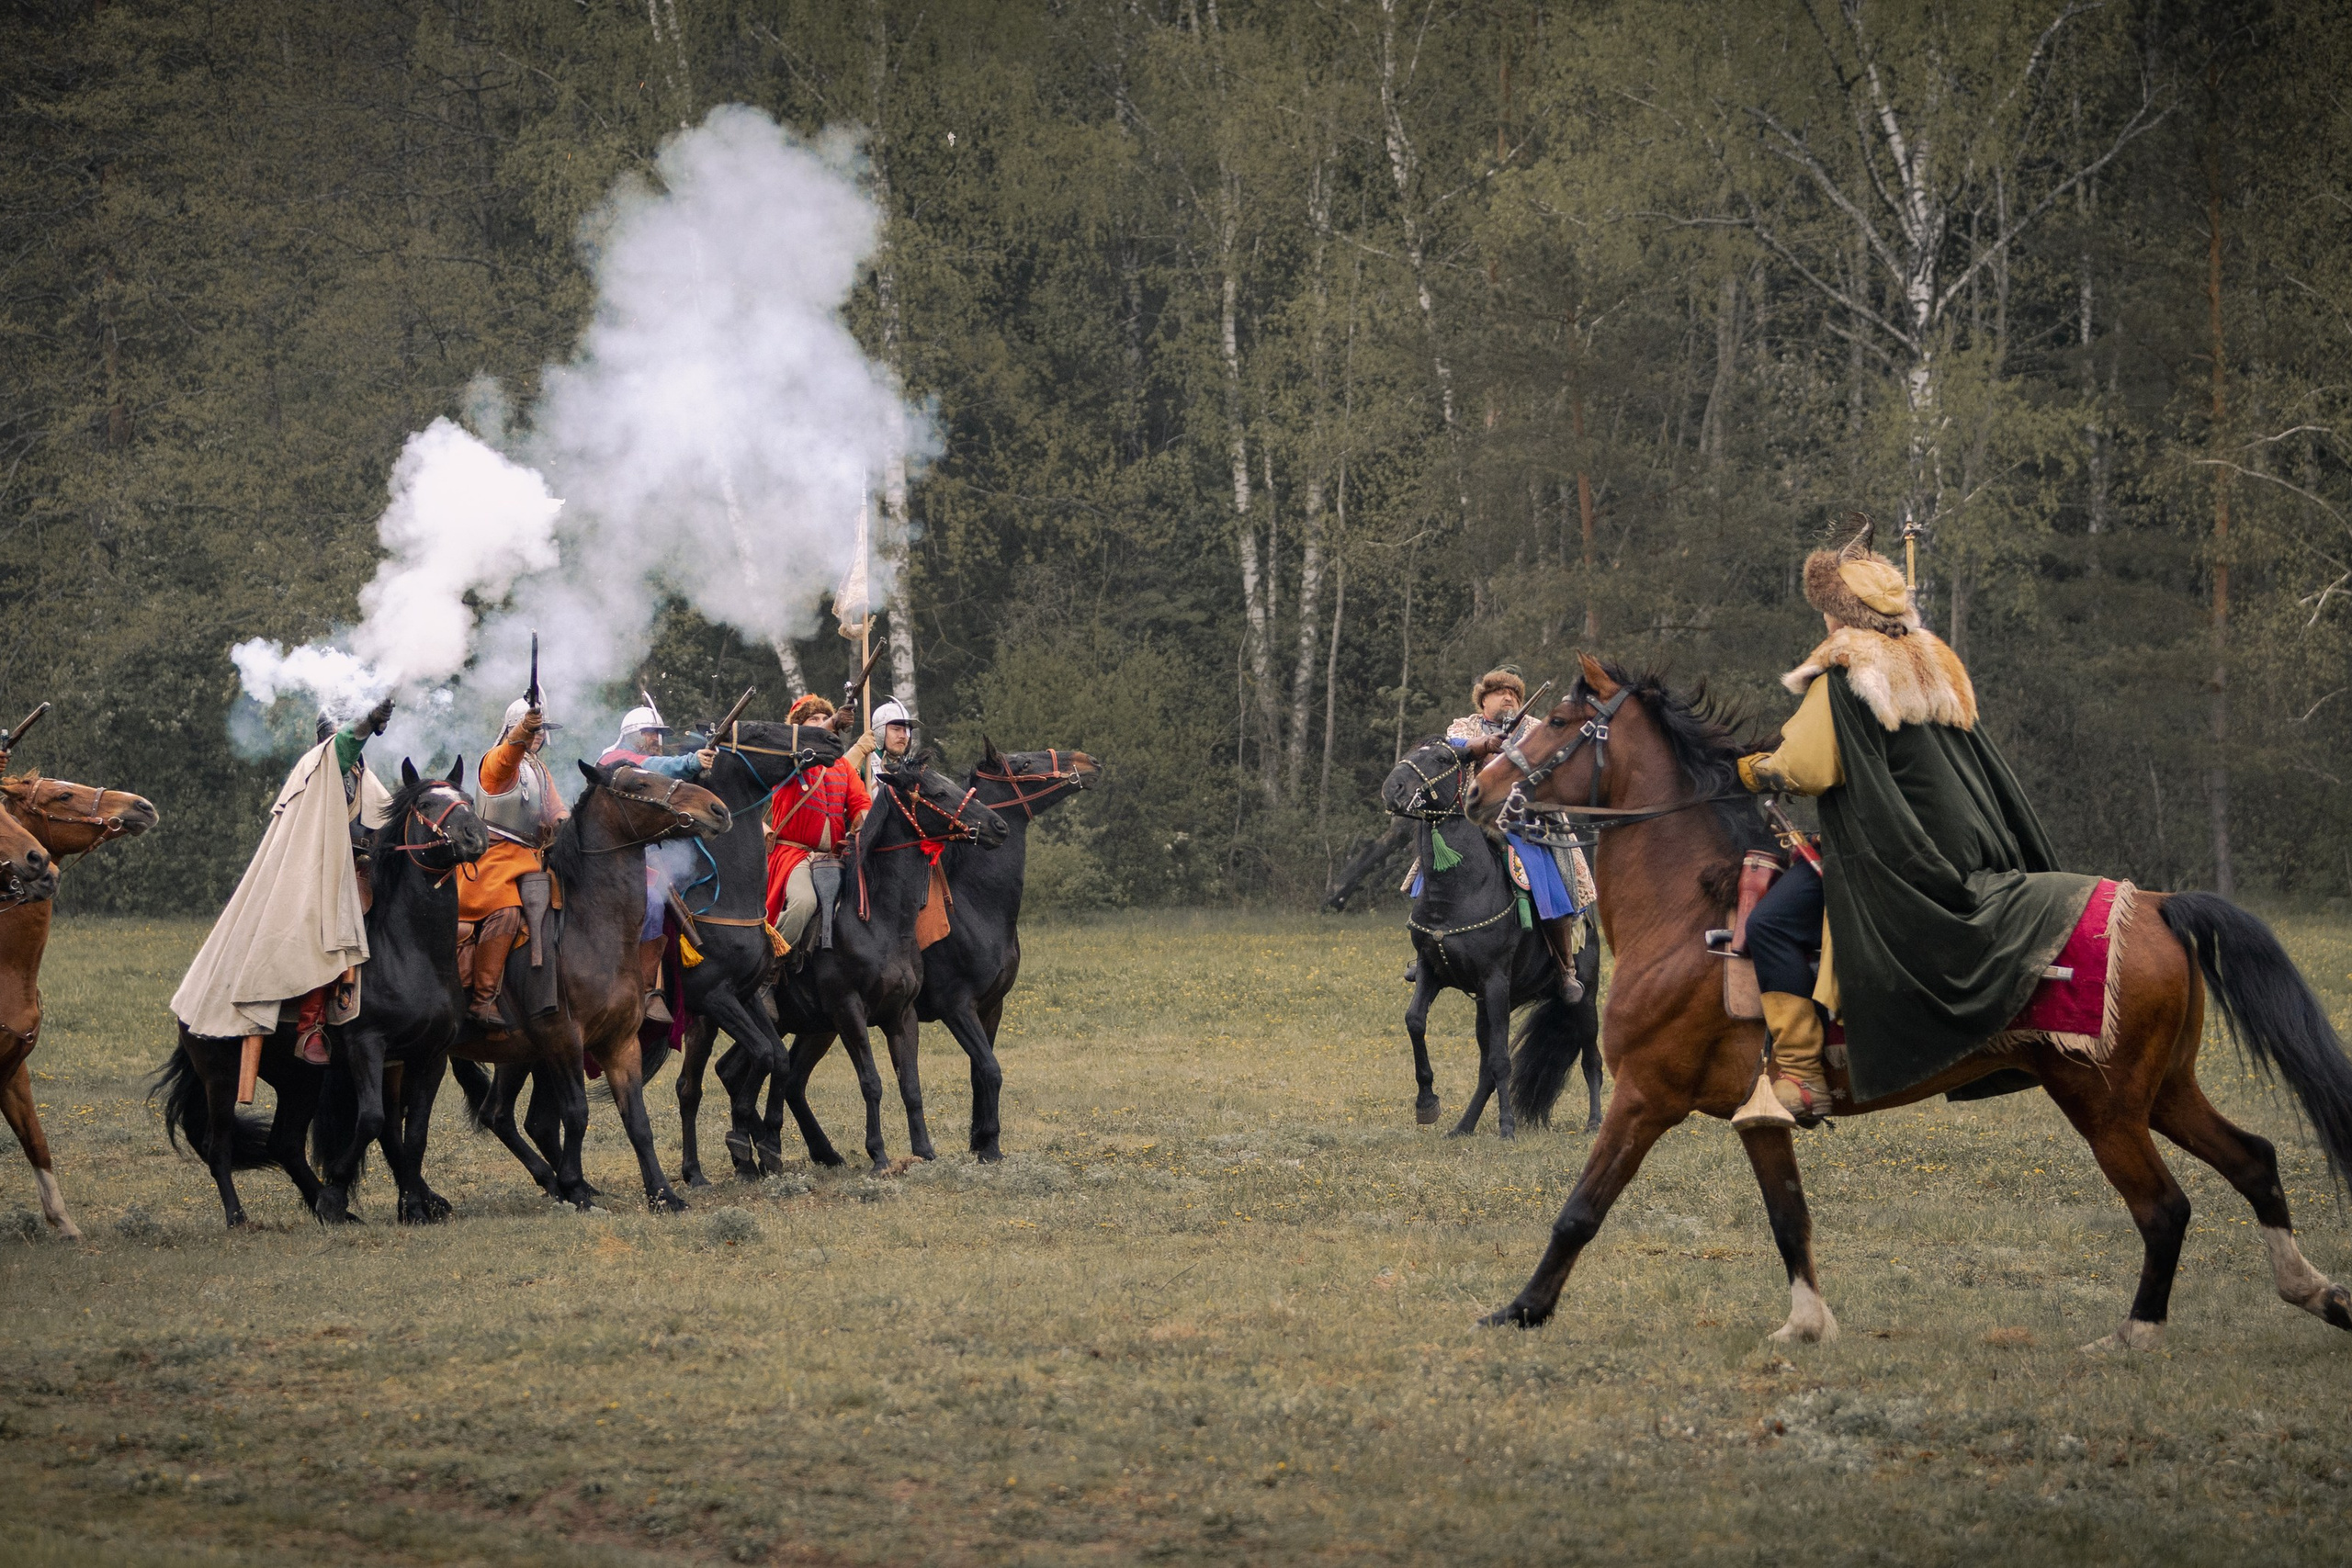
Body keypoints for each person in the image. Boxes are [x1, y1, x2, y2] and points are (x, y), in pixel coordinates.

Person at [1731, 520, 2086, 1126]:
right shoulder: (1934, 659)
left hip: (1897, 851)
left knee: (1768, 924)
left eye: (1825, 610)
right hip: (1969, 844)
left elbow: (1810, 767)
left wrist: (1754, 770)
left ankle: (1800, 1074)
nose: (1823, 620)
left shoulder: (1847, 673)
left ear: (1838, 614)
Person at [171, 698, 396, 1063]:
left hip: (360, 873)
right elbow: (345, 745)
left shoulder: (363, 776)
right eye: (352, 732)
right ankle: (311, 1027)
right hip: (313, 877)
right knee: (319, 933)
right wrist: (368, 720)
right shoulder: (322, 762)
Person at [1442, 669, 1596, 1001]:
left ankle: (1565, 967)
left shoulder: (1533, 729)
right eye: (1500, 691)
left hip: (1521, 821)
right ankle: (1429, 954)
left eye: (1514, 693)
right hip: (1470, 818)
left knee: (1544, 875)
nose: (1509, 697)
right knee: (1433, 868)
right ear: (1483, 699)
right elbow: (1451, 747)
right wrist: (1482, 744)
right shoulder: (1464, 725)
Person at [598, 699, 716, 1026]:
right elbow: (656, 768)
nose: (657, 738)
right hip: (611, 858)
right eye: (651, 732)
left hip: (645, 856)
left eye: (659, 732)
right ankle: (648, 990)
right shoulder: (615, 760)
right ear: (633, 733)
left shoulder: (648, 761)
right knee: (651, 902)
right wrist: (692, 760)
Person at [460, 697, 566, 1028]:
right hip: (494, 862)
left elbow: (555, 810)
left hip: (532, 858)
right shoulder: (497, 760)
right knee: (506, 910)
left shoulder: (538, 768)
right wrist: (523, 730)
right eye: (534, 730)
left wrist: (566, 823)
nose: (538, 736)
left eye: (540, 730)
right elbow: (510, 754)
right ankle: (483, 1000)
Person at [765, 695, 872, 957]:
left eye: (826, 718)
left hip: (833, 857)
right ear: (798, 727)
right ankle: (768, 966)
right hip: (793, 855)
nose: (822, 723)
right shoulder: (788, 757)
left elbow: (860, 805)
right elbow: (802, 744)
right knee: (804, 902)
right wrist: (834, 722)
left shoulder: (843, 766)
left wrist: (868, 829)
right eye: (814, 719)